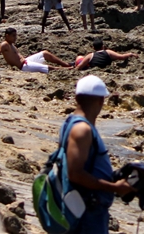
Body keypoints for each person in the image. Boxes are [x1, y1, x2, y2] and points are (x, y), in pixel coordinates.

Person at [60, 75, 134, 232]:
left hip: (87, 208)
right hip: (86, 211)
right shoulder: (82, 129)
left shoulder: (72, 122)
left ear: (76, 97)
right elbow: (75, 173)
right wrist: (114, 187)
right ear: (101, 101)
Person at [0, 27, 71, 72]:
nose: (15, 38)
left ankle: (66, 64)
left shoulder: (11, 44)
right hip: (23, 67)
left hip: (26, 61)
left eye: (15, 36)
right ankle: (67, 69)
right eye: (13, 36)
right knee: (46, 68)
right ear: (7, 36)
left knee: (45, 53)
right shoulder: (4, 44)